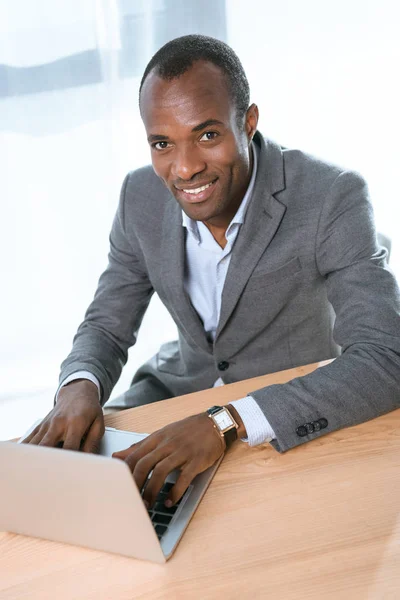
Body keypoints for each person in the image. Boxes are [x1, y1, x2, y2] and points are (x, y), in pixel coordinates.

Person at [24, 35, 400, 510]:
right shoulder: (138, 195)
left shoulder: (330, 196)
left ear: (248, 121)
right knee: (67, 502)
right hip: (175, 391)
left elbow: (387, 357)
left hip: (283, 409)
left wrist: (225, 421)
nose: (184, 168)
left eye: (207, 135)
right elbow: (106, 321)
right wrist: (79, 386)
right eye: (162, 143)